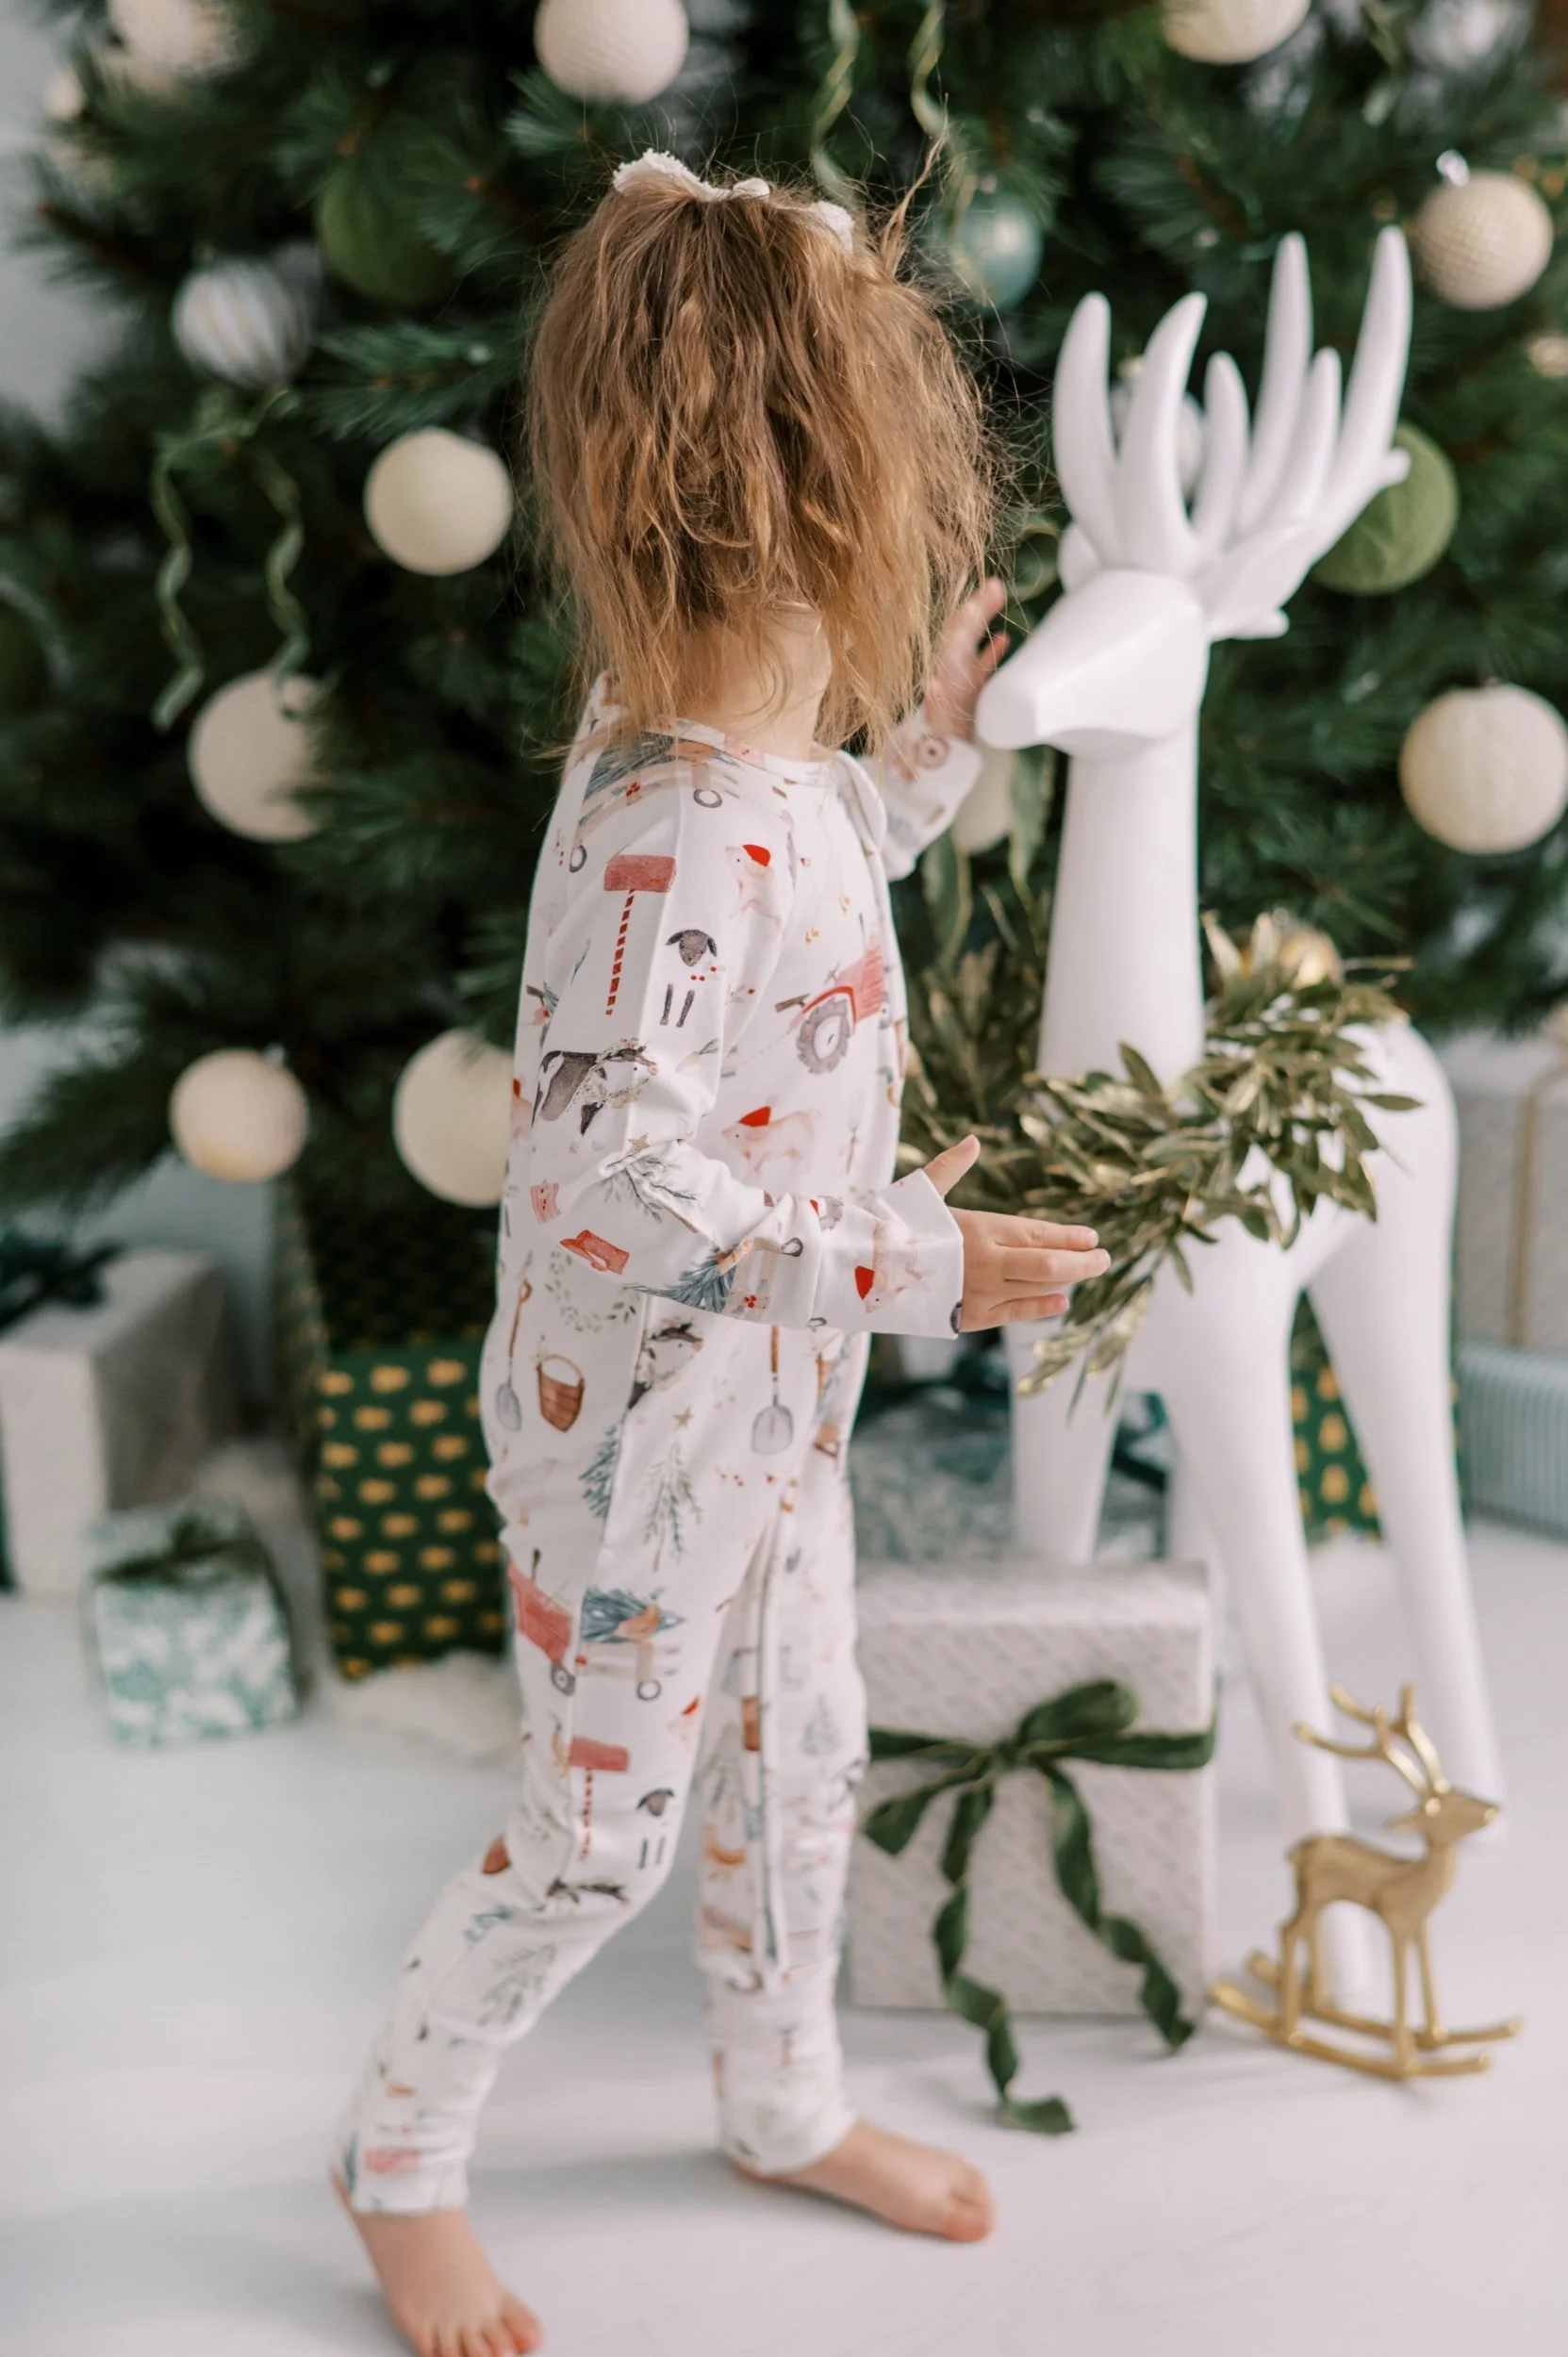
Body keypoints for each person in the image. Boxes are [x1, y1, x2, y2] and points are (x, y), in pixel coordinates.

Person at [333, 149, 1108, 2357]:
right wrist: (909, 1265)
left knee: (802, 1753)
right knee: (599, 1830)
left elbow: (823, 854)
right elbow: (611, 1178)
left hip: (772, 1418)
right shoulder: (673, 817)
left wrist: (926, 748)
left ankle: (783, 2100)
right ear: (812, 501)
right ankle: (399, 2156)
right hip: (634, 1456)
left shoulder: (752, 762)